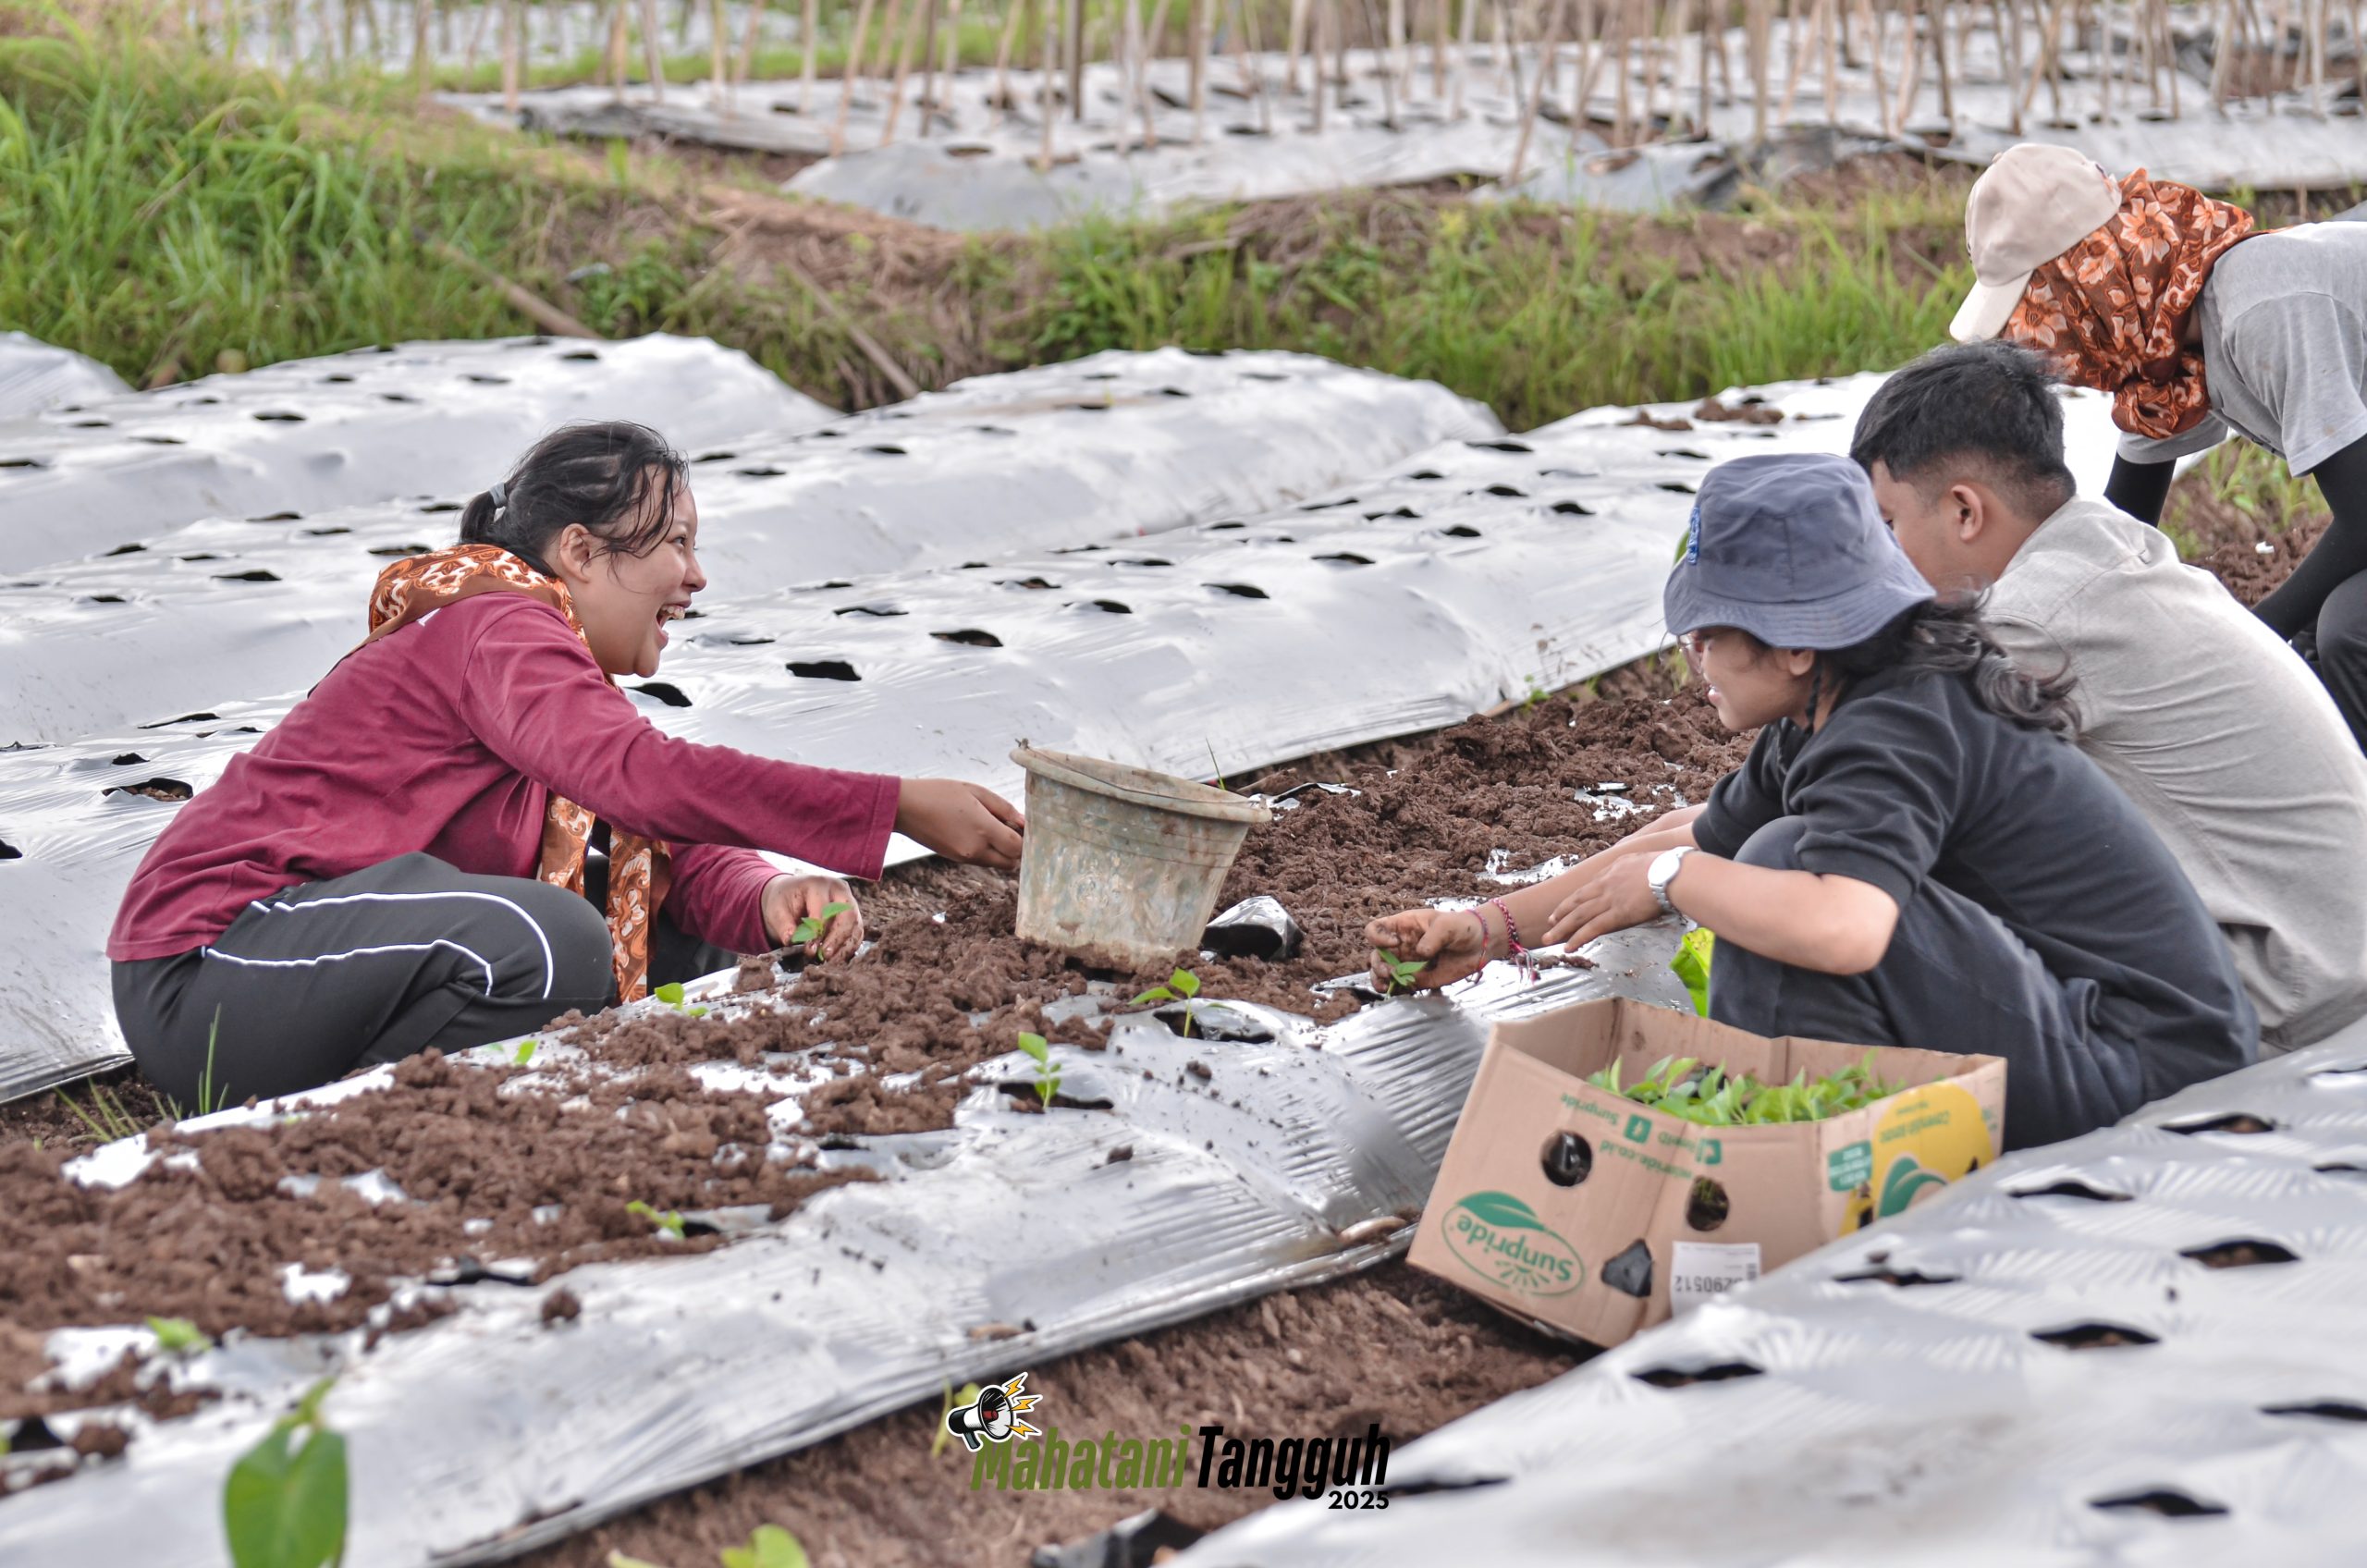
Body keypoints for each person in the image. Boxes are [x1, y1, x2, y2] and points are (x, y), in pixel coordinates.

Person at [110, 422, 1026, 1107]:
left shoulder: (548, 663)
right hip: (213, 968)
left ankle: (466, 1104)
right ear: (580, 552)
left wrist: (761, 895)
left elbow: (654, 834)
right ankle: (379, 1116)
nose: (697, 576)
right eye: (674, 543)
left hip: (317, 961)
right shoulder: (498, 625)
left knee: (673, 932)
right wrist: (895, 805)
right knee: (554, 941)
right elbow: (643, 776)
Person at [1366, 452, 2257, 1151]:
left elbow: (1844, 928)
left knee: (1785, 869)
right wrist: (1487, 929)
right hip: (2085, 1028)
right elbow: (1690, 832)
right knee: (1763, 861)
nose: (1697, 660)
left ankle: (1792, 1165)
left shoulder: (1898, 722)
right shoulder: (1837, 700)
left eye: (1709, 634)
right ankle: (1800, 1149)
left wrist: (1673, 878)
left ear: (1795, 645)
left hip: (2151, 1072)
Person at [1851, 340, 2367, 1055]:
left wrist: (1685, 863)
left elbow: (1872, 776)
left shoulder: (2030, 619)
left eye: (1887, 525)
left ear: (1965, 511)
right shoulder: (2105, 548)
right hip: (2339, 960)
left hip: (2285, 998)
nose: (1881, 559)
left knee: (1909, 880)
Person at [1946, 141, 2367, 743]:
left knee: (2349, 629)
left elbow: (2365, 516)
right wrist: (2012, 631)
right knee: (2315, 646)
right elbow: (2118, 538)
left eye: (2039, 314)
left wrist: (2256, 637)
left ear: (2089, 276)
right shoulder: (2168, 355)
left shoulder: (2259, 311)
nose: (2044, 348)